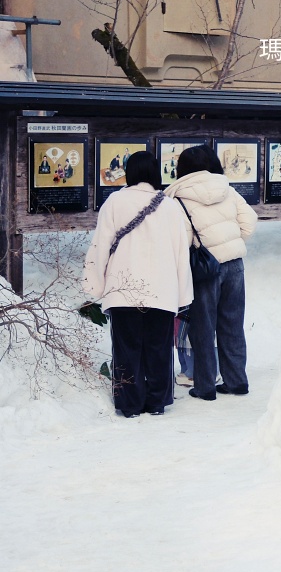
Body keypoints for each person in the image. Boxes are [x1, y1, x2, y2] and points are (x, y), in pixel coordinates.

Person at [83, 151, 193, 417]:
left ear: (129, 173)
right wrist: (183, 295)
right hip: (162, 290)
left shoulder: (114, 202)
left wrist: (94, 286)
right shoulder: (169, 206)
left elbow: (101, 247)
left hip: (123, 290)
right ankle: (157, 402)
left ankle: (129, 404)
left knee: (127, 350)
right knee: (158, 349)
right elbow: (181, 252)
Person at [167, 144, 257, 400]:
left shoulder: (178, 198)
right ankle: (237, 381)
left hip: (205, 269)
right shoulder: (227, 190)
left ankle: (205, 386)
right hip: (235, 265)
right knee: (232, 325)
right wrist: (229, 240)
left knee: (202, 327)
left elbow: (181, 240)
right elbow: (249, 224)